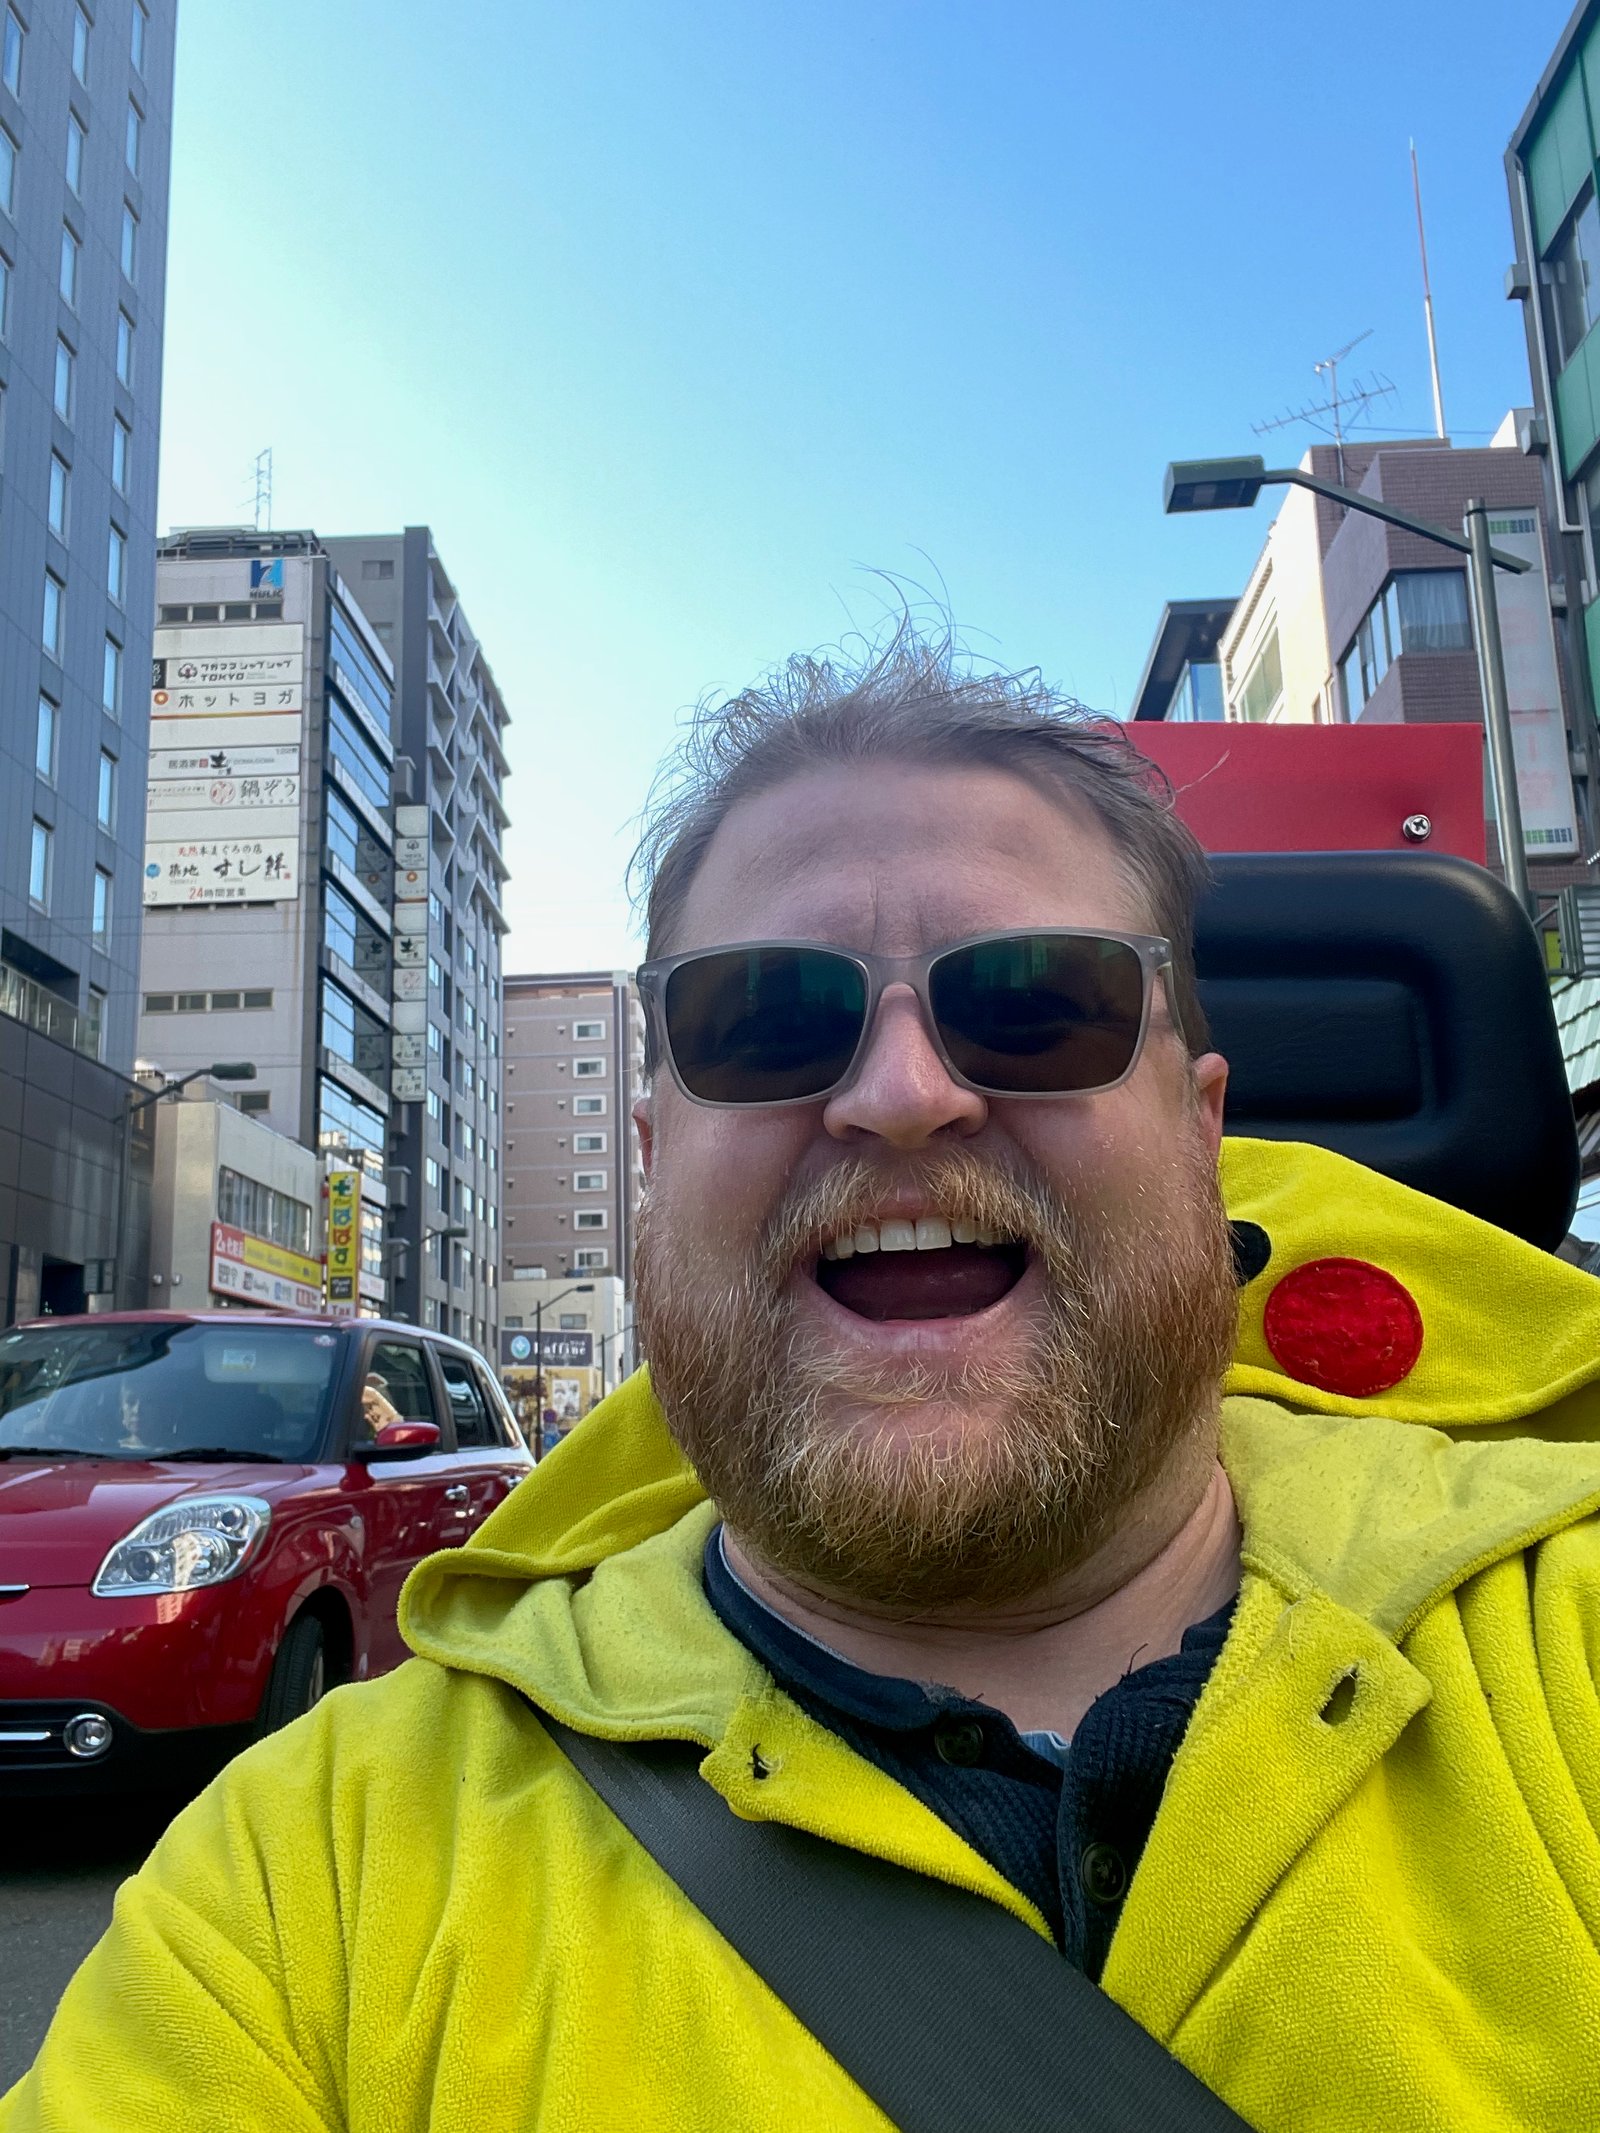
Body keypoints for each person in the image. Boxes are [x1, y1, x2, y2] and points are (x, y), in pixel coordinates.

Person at [9, 631, 1600, 2132]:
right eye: (768, 1020)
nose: (903, 1094)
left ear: (1202, 1133)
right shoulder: (309, 1882)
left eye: (1035, 1001)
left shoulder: (1567, 1641)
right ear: (651, 1165)